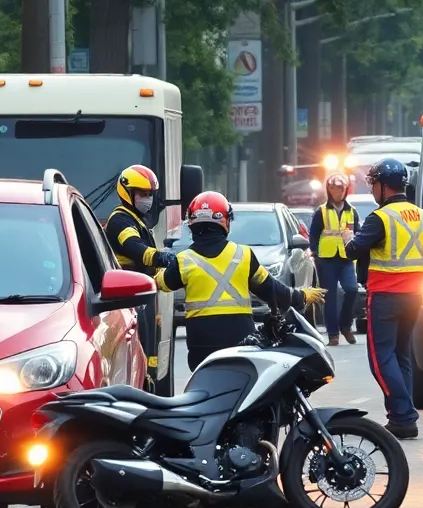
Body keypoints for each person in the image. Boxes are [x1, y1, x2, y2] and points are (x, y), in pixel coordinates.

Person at [155, 191, 326, 370]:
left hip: (201, 346)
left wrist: (155, 271)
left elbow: (162, 283)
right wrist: (301, 296)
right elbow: (272, 289)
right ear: (225, 222)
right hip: (240, 340)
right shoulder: (243, 255)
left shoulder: (183, 260)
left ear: (191, 223)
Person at [344, 158, 423, 440]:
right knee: (401, 355)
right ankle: (401, 415)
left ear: (383, 186)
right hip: (414, 295)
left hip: (386, 295)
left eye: (373, 185)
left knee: (380, 358)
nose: (371, 191)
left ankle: (403, 415)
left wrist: (347, 237)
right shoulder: (421, 215)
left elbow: (354, 250)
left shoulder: (380, 217)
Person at [104, 164, 176, 388]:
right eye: (142, 194)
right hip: (129, 301)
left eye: (149, 194)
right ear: (127, 192)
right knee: (140, 353)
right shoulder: (120, 220)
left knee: (150, 354)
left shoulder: (136, 220)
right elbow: (134, 247)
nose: (147, 199)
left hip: (142, 299)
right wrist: (160, 257)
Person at [309, 173, 361, 346]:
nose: (336, 192)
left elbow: (357, 234)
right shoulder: (321, 211)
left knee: (352, 290)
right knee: (330, 297)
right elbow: (314, 235)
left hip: (346, 258)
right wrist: (316, 254)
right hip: (327, 259)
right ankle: (333, 334)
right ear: (328, 190)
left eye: (340, 188)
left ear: (345, 190)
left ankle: (345, 325)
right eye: (332, 188)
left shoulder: (352, 212)